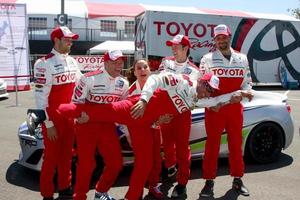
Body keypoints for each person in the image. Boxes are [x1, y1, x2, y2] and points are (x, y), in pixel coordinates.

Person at [58, 72, 253, 200]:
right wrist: (143, 100)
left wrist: (242, 93)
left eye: (211, 90)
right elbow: (155, 79)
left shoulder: (200, 99)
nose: (208, 92)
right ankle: (65, 111)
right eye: (207, 87)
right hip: (135, 108)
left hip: (146, 124)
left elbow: (218, 101)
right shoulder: (183, 82)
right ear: (201, 82)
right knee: (102, 112)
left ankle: (131, 197)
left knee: (146, 163)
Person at [199, 24, 253, 198]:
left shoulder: (242, 58)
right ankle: (209, 182)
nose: (221, 40)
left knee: (236, 145)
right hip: (215, 109)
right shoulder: (207, 59)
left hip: (235, 109)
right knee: (212, 146)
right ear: (214, 40)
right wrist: (209, 104)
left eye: (224, 37)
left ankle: (238, 179)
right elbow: (201, 88)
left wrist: (244, 94)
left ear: (229, 37)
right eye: (218, 37)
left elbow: (247, 83)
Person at [71, 49, 129, 200]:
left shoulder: (123, 83)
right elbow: (75, 103)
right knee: (86, 165)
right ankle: (80, 196)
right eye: (115, 62)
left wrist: (127, 131)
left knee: (116, 163)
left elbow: (122, 109)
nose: (119, 65)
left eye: (121, 62)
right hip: (86, 126)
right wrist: (79, 115)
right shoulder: (88, 78)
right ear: (106, 62)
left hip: (107, 126)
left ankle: (101, 191)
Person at [33, 26, 81, 200]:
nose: (71, 42)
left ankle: (65, 188)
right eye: (67, 39)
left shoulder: (73, 62)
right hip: (52, 118)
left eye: (71, 39)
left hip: (69, 118)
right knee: (51, 158)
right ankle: (47, 194)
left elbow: (81, 85)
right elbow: (40, 98)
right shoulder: (43, 63)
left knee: (67, 156)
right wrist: (48, 124)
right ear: (56, 40)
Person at [158, 34, 202, 198]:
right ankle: (170, 168)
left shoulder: (195, 70)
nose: (173, 49)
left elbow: (193, 96)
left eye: (176, 46)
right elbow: (161, 83)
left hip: (183, 113)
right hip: (165, 111)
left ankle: (182, 183)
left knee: (183, 149)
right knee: (167, 144)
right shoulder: (166, 62)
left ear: (185, 48)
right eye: (172, 46)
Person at [124, 59, 172, 199]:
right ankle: (136, 192)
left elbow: (166, 106)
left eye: (145, 67)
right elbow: (123, 116)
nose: (142, 70)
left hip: (155, 127)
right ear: (134, 72)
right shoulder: (130, 91)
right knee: (142, 162)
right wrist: (128, 135)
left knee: (156, 159)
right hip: (138, 130)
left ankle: (153, 186)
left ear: (150, 70)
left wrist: (164, 117)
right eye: (139, 68)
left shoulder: (158, 87)